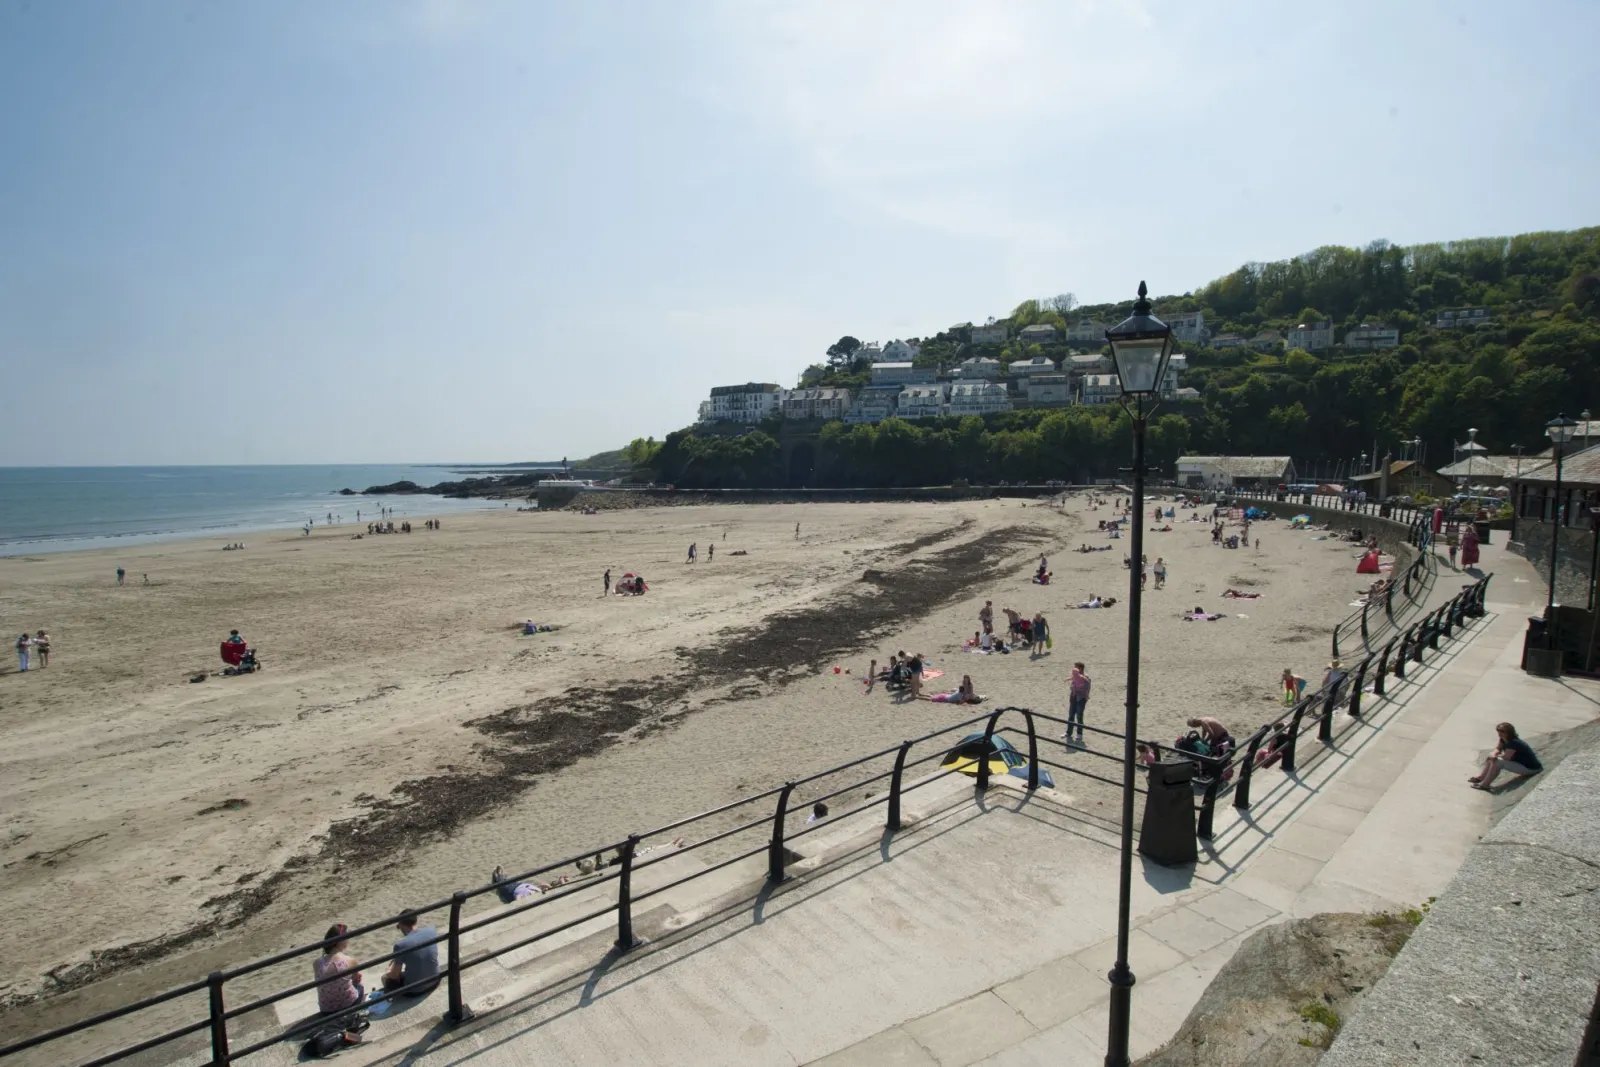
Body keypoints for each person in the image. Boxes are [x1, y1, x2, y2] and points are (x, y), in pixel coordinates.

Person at [382, 910, 441, 996]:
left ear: (402, 925)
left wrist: (389, 970)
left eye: (399, 926)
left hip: (416, 990)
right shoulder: (431, 931)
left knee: (386, 979)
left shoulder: (400, 945)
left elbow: (394, 975)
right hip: (435, 980)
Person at [1470, 722, 1542, 790]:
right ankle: (1481, 778)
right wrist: (1494, 754)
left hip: (1531, 769)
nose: (1499, 733)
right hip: (1521, 764)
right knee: (1492, 758)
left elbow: (1506, 757)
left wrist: (1495, 757)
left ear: (1509, 732)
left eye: (1502, 731)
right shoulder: (1503, 739)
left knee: (1497, 762)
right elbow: (1498, 749)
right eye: (1498, 730)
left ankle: (1485, 785)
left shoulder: (1513, 742)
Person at [313, 924, 365, 1015]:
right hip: (348, 1005)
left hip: (326, 1010)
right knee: (360, 986)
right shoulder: (351, 961)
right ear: (341, 941)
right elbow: (355, 982)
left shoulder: (316, 963)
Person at [1066, 663, 1090, 747]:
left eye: (1076, 667)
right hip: (1073, 697)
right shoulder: (1075, 676)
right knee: (1071, 715)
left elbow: (1086, 688)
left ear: (1080, 668)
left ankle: (1079, 734)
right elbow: (1072, 685)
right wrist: (1073, 687)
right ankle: (1069, 732)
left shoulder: (1086, 677)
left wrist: (1078, 689)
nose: (1074, 669)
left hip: (1081, 699)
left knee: (1079, 716)